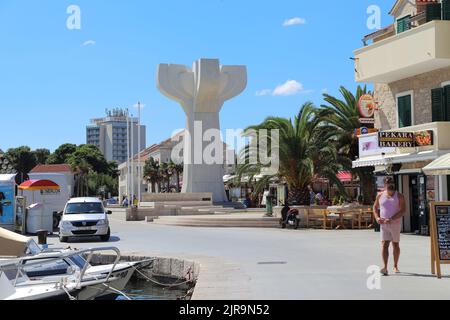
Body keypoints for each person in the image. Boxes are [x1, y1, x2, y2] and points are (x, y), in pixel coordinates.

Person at [373, 177, 406, 276]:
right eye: (388, 183)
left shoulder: (399, 196)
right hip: (383, 224)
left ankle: (395, 265)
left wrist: (392, 218)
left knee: (395, 244)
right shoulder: (380, 195)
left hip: (395, 224)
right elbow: (374, 207)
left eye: (392, 182)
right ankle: (385, 267)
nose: (390, 184)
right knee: (384, 244)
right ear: (385, 185)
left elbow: (403, 210)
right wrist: (377, 218)